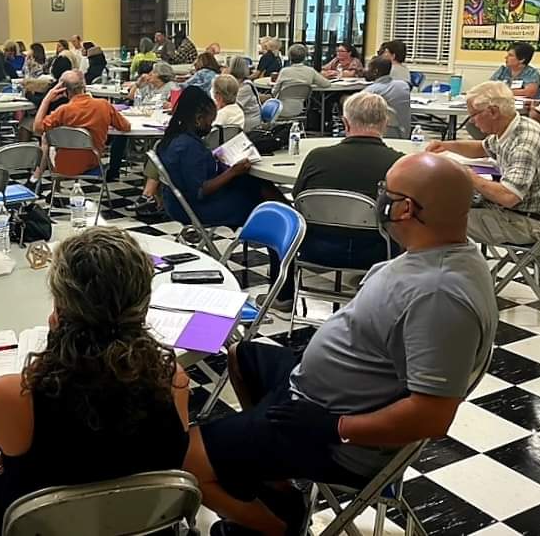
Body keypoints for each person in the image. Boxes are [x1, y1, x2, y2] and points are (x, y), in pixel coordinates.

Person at [185, 153, 496, 536]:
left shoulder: (440, 295)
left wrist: (336, 428)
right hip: (318, 398)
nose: (379, 199)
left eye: (386, 192)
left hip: (336, 435)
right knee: (241, 356)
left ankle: (279, 526)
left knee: (185, 458)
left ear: (405, 209)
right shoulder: (439, 254)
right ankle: (277, 481)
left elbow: (432, 416)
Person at [0, 227, 190, 536]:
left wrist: (53, 347)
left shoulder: (15, 395)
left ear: (60, 309)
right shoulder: (173, 380)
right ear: (142, 303)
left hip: (38, 528)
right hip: (144, 527)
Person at [261, 92, 404, 313]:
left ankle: (283, 295)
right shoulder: (399, 164)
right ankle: (395, 303)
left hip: (314, 248)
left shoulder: (317, 157)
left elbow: (299, 200)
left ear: (345, 123)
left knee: (281, 219)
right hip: (377, 251)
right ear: (385, 124)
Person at [428, 81, 540, 246]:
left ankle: (457, 269)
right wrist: (446, 146)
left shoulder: (524, 144)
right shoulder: (512, 126)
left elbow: (509, 196)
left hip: (528, 222)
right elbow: (481, 148)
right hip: (516, 212)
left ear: (493, 112)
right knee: (447, 203)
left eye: (473, 115)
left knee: (440, 218)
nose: (472, 122)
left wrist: (469, 176)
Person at [156, 86, 283, 230]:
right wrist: (233, 172)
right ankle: (290, 227)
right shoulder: (188, 146)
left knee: (254, 183)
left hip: (177, 202)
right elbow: (200, 191)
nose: (210, 126)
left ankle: (290, 227)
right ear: (198, 119)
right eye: (210, 122)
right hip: (193, 208)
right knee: (264, 203)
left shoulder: (174, 138)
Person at [34, 70, 130, 177]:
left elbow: (37, 128)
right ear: (84, 86)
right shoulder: (103, 105)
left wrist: (46, 100)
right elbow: (126, 127)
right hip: (93, 162)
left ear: (63, 90)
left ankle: (40, 179)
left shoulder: (63, 111)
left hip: (62, 166)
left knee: (45, 138)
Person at [271, 44, 330, 117]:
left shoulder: (284, 71)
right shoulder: (310, 71)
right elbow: (326, 84)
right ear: (304, 57)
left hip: (279, 108)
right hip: (301, 108)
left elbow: (274, 92)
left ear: (290, 57)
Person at [364, 56, 412, 138]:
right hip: (405, 134)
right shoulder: (403, 85)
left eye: (369, 68)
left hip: (381, 135)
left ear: (375, 71)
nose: (366, 71)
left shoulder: (370, 92)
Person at [230, 56, 263, 131]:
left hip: (249, 122)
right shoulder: (240, 83)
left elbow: (235, 106)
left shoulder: (246, 87)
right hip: (244, 117)